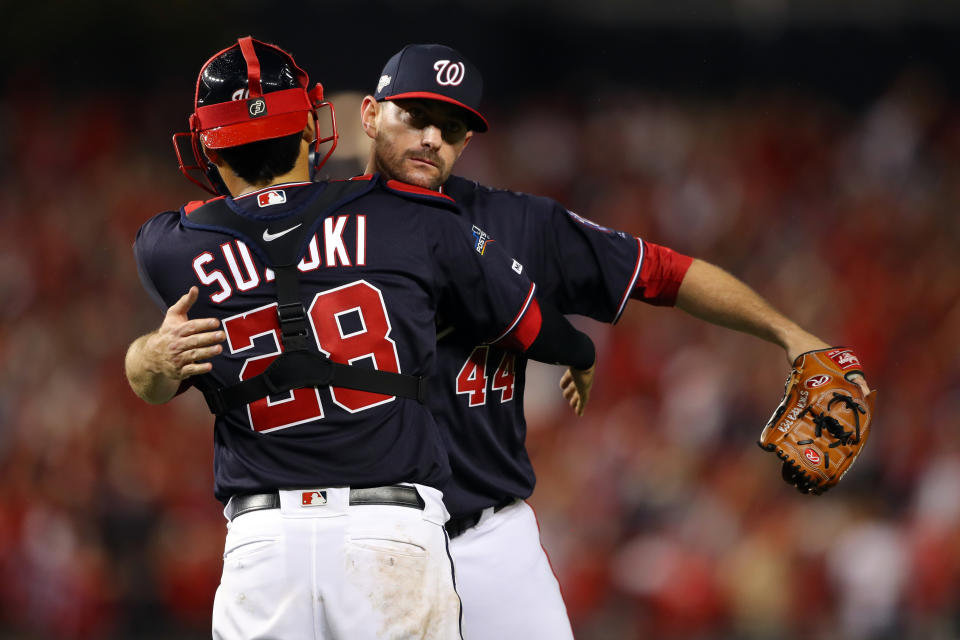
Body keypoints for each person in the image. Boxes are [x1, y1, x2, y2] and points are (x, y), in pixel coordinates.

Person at [353, 44, 873, 639]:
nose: (431, 140)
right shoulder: (315, 227)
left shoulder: (519, 224)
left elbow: (664, 272)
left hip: (489, 538)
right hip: (363, 538)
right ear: (371, 115)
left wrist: (790, 333)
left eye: (451, 128)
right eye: (414, 118)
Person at [125, 36, 597, 640]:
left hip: (263, 547)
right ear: (311, 128)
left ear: (206, 144)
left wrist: (148, 355)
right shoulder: (407, 214)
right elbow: (528, 321)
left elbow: (151, 379)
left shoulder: (168, 248)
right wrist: (578, 352)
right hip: (389, 533)